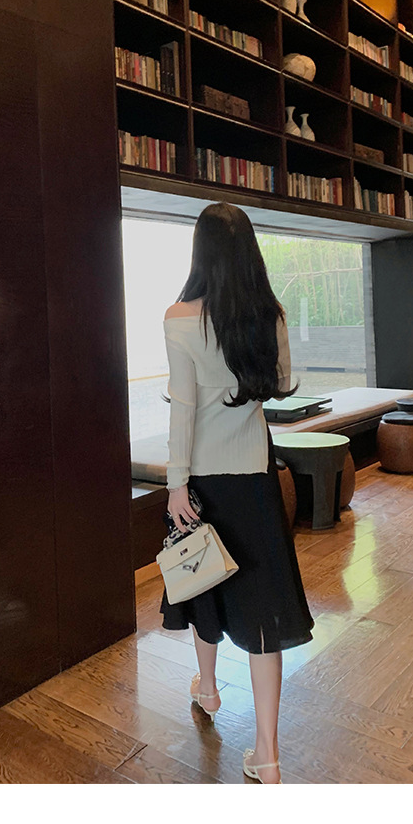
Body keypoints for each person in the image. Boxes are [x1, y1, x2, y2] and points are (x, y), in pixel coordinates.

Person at [159, 202, 314, 785]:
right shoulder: (268, 316)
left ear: (200, 253)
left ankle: (209, 689)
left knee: (203, 580)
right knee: (265, 606)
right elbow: (278, 384)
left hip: (201, 477)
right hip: (253, 473)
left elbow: (183, 411)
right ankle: (267, 753)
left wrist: (176, 484)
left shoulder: (178, 318)